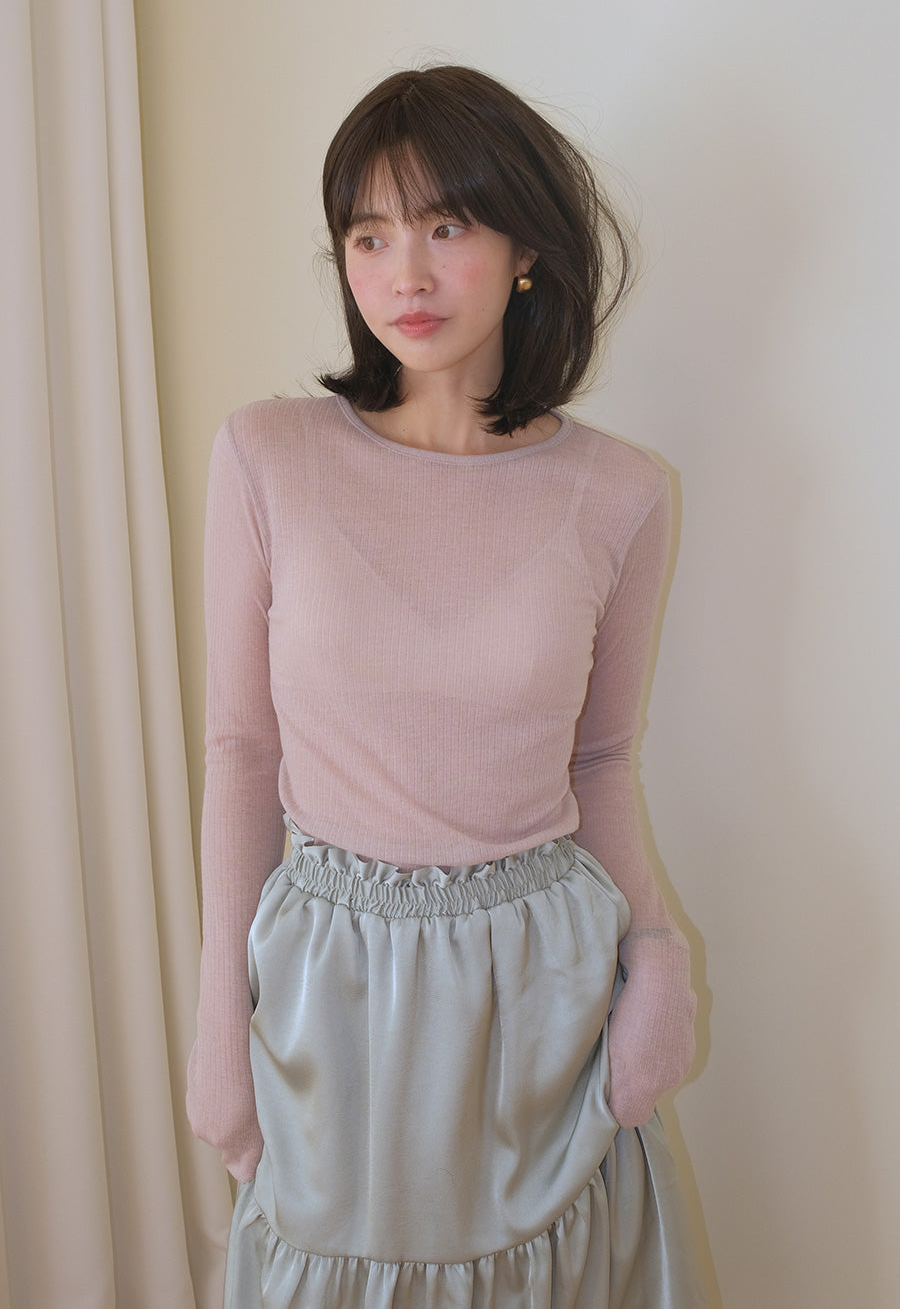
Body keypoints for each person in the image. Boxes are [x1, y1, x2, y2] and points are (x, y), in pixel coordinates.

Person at [187, 64, 705, 1307]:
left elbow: (599, 761)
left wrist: (656, 954)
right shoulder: (267, 454)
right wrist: (218, 1015)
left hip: (540, 989)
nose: (404, 276)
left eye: (446, 226)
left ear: (527, 249)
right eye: (368, 237)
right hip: (327, 990)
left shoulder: (623, 492)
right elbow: (243, 752)